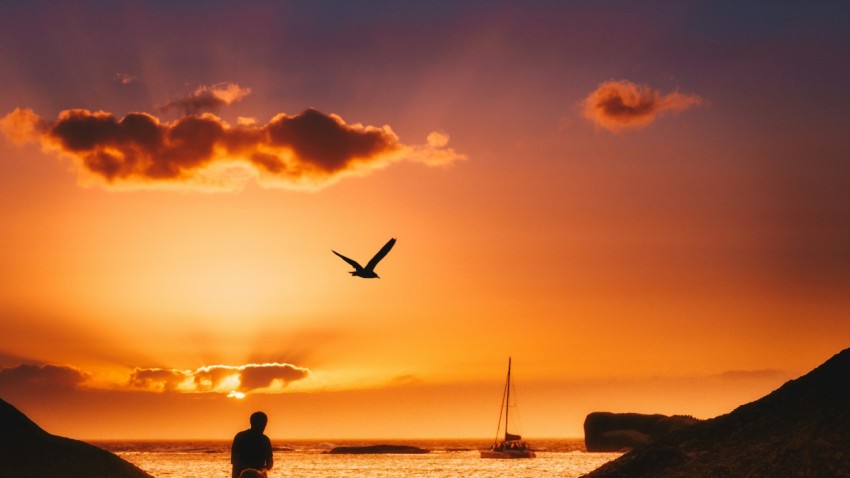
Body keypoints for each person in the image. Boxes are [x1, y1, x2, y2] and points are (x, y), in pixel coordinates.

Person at [231, 411, 274, 478]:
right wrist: (250, 471)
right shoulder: (241, 437)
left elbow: (270, 462)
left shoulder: (265, 440)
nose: (263, 426)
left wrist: (262, 471)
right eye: (260, 424)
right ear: (252, 423)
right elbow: (235, 460)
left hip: (259, 475)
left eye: (264, 424)